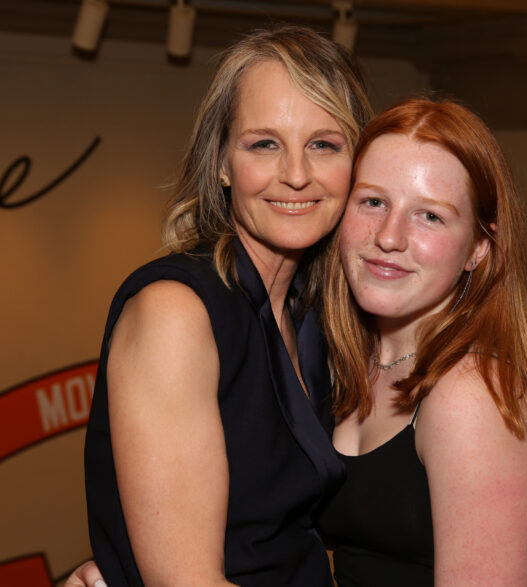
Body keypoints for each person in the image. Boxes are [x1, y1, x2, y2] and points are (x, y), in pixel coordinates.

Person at [80, 25, 372, 587]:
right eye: (264, 143)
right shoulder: (177, 313)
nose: (295, 174)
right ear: (220, 163)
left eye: (324, 144)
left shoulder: (314, 318)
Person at [318, 98, 527, 586]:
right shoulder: (349, 364)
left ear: (478, 247)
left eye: (429, 216)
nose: (389, 236)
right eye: (373, 202)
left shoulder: (470, 395)